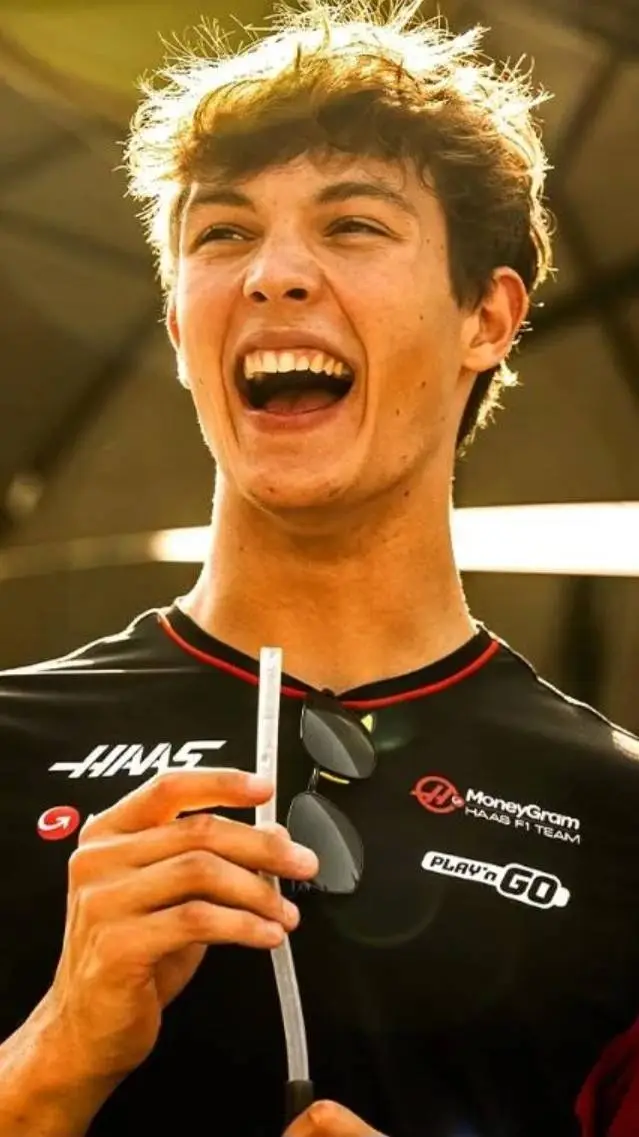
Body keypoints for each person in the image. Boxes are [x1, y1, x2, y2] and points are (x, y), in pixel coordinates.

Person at [0, 1, 637, 1134]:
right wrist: (55, 1055)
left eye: (351, 225)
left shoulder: (618, 816)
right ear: (178, 322)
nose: (273, 273)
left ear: (488, 317)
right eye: (223, 234)